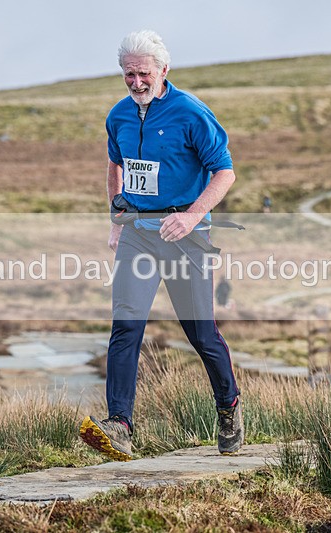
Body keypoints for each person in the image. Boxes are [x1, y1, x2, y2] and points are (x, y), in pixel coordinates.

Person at [80, 30, 243, 461]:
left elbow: (224, 172)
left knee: (201, 334)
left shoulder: (191, 113)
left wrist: (191, 216)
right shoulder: (118, 115)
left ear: (163, 70)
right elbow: (115, 164)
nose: (136, 82)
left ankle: (228, 408)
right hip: (139, 235)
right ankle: (120, 425)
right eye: (128, 74)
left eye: (143, 74)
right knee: (126, 325)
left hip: (187, 237)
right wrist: (117, 218)